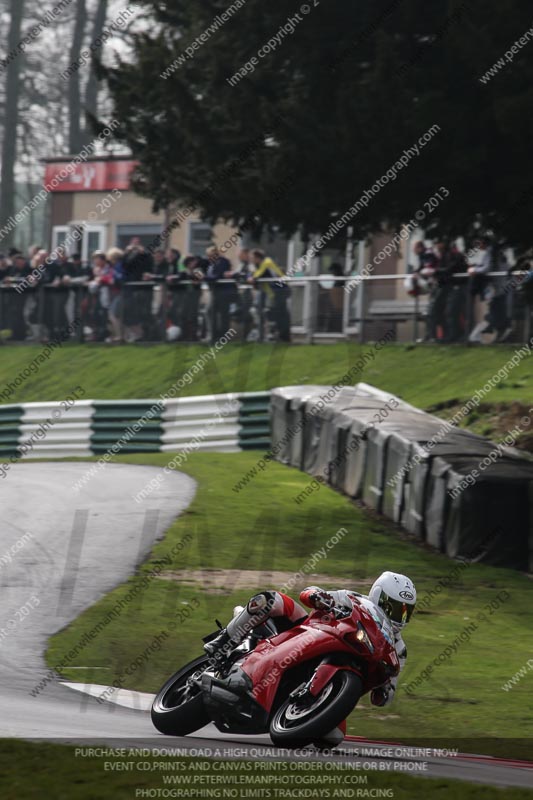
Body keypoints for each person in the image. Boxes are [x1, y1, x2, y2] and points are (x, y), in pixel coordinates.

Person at [204, 571, 416, 709]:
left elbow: (383, 699)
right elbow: (308, 593)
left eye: (406, 612)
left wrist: (385, 686)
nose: (400, 616)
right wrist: (318, 596)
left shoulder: (399, 651)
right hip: (310, 631)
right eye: (395, 608)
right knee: (271, 600)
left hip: (340, 676)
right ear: (379, 595)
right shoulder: (354, 599)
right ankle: (224, 641)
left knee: (332, 738)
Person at [248, 249, 291, 341]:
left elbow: (258, 275)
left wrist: (253, 277)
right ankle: (281, 336)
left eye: (252, 258)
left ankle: (283, 336)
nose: (251, 260)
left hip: (281, 290)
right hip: (275, 292)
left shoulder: (267, 262)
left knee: (278, 313)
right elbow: (252, 275)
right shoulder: (258, 266)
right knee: (277, 313)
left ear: (257, 257)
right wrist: (251, 276)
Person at [205, 245, 236, 340]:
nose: (209, 257)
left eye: (211, 255)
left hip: (224, 292)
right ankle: (214, 334)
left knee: (223, 314)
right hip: (215, 292)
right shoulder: (212, 264)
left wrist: (203, 278)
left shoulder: (223, 262)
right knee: (210, 312)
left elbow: (218, 276)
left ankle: (223, 336)